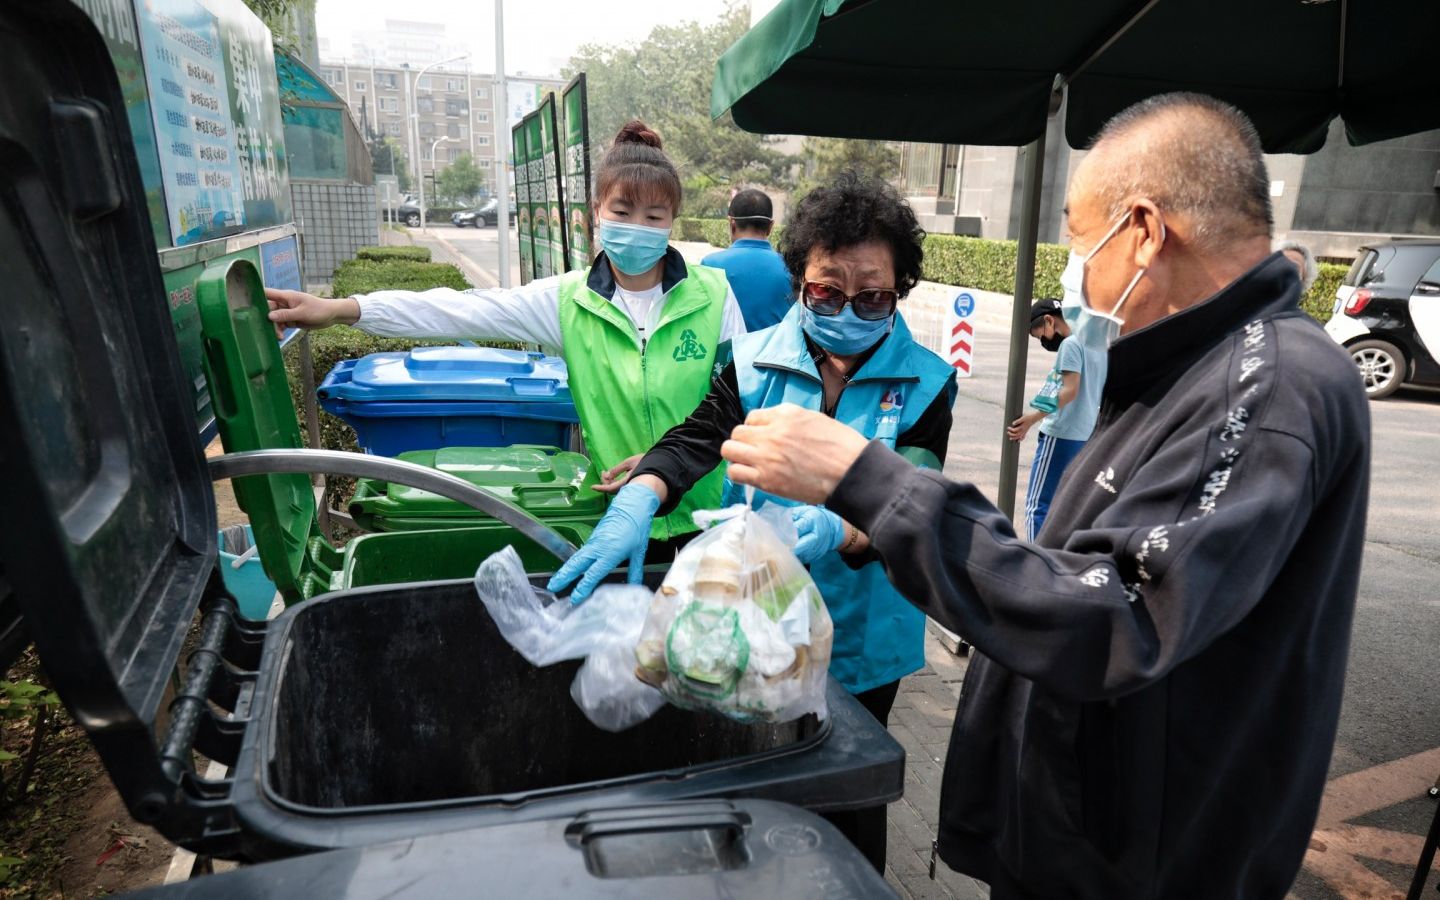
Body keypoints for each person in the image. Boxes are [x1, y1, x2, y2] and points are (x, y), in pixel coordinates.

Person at [717, 93, 1370, 899]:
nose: (1072, 277)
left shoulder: (1268, 392)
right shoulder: (1184, 373)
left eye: (1076, 242)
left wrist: (866, 481)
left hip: (1139, 866)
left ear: (1141, 232)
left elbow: (1118, 616)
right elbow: (1080, 571)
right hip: (1089, 838)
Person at [549, 172, 956, 872]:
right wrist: (643, 491)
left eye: (872, 295)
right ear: (800, 276)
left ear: (898, 293)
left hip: (862, 629)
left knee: (847, 793)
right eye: (827, 289)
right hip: (753, 619)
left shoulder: (927, 383)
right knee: (763, 785)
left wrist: (840, 530)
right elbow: (692, 440)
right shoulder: (753, 359)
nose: (846, 309)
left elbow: (911, 503)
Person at [265, 120, 746, 556]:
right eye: (622, 211)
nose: (637, 228)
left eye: (654, 217)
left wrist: (668, 465)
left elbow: (745, 403)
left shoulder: (713, 295)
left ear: (673, 221)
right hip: (615, 518)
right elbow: (457, 309)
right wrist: (341, 310)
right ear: (596, 211)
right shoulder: (567, 303)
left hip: (711, 521)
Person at [1006, 297, 1107, 540]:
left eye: (1039, 334)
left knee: (1037, 507)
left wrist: (1033, 418)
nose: (1042, 341)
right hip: (1084, 433)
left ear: (1050, 320)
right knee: (1066, 506)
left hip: (1061, 433)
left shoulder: (1071, 345)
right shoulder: (1096, 341)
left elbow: (1069, 391)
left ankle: (1033, 568)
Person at [701, 189, 794, 330]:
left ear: (732, 224)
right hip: (776, 352)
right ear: (770, 227)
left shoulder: (710, 266)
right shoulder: (790, 268)